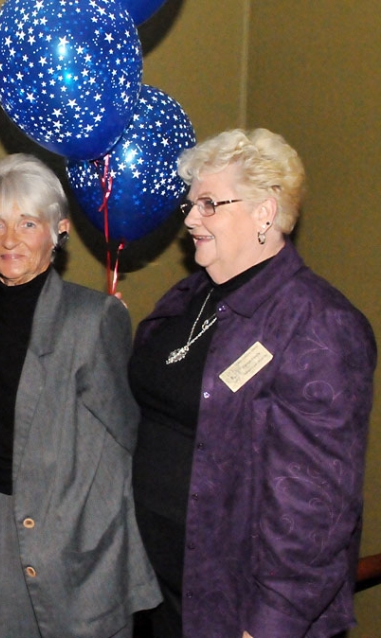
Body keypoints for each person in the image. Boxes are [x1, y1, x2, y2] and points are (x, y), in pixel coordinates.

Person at [129, 129, 376, 638]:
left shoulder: (318, 324)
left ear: (265, 211)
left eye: (209, 204)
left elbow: (314, 510)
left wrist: (269, 625)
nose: (191, 219)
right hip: (161, 590)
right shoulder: (192, 293)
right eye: (192, 203)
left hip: (233, 610)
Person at [0, 154, 161, 638]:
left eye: (28, 223)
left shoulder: (94, 320)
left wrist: (93, 519)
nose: (10, 238)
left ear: (58, 230)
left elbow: (126, 435)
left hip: (76, 534)